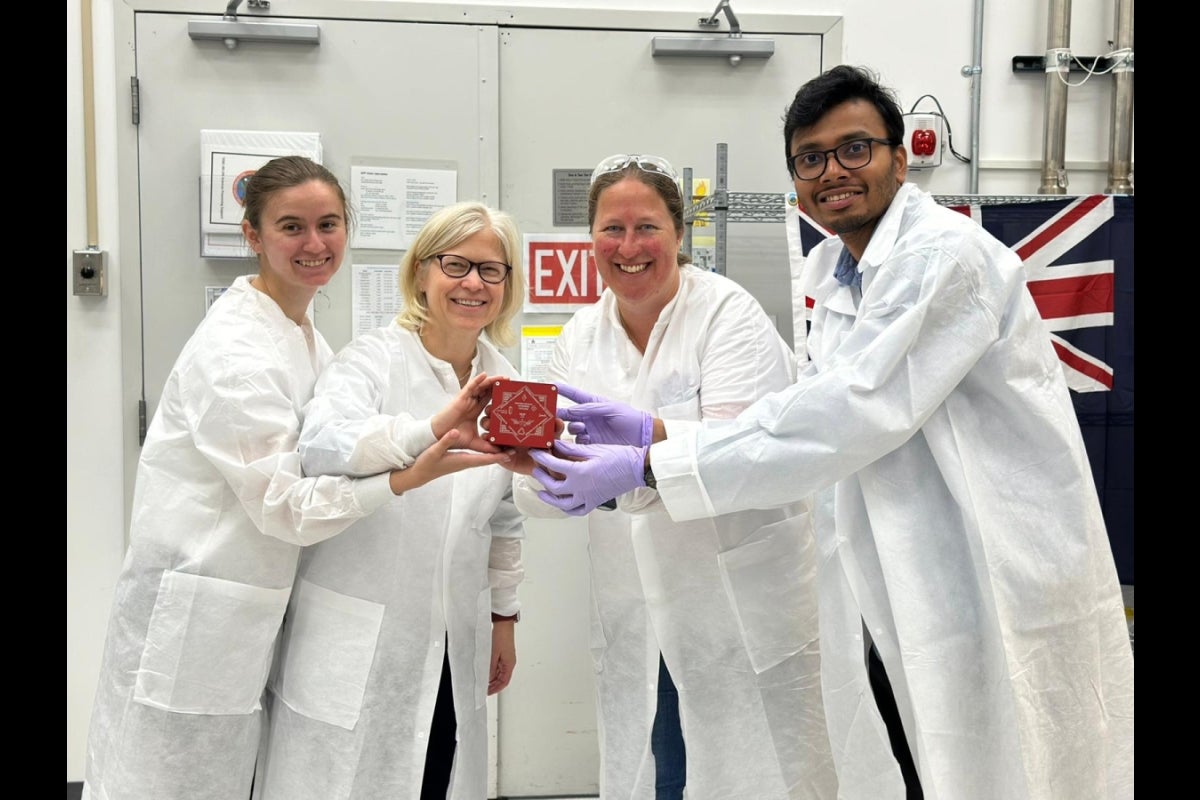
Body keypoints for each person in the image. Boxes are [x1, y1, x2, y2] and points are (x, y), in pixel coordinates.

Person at [527, 66, 1135, 800]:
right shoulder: (838, 276)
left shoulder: (939, 258)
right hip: (898, 570)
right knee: (928, 760)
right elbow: (805, 413)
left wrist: (649, 461)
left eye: (854, 149)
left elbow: (843, 415)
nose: (832, 172)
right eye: (810, 158)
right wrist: (652, 436)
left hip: (991, 563)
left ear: (899, 158)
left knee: (1017, 764)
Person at [81, 158, 508, 800]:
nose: (315, 243)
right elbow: (286, 503)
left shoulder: (304, 337)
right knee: (163, 785)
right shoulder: (237, 354)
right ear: (252, 236)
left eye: (329, 224)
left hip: (261, 612)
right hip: (201, 614)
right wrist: (407, 470)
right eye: (292, 227)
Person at [506, 154, 837, 799]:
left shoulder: (725, 315)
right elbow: (548, 470)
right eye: (612, 229)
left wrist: (642, 453)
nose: (629, 248)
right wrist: (548, 475)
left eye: (647, 227)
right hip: (634, 598)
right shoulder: (580, 335)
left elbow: (745, 453)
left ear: (679, 235)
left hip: (734, 591)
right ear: (591, 238)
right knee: (656, 760)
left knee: (748, 762)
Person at [252, 201, 528, 800]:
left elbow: (503, 515)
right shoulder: (372, 360)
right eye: (456, 265)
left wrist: (504, 618)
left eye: (492, 270)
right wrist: (427, 431)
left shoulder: (507, 380)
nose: (473, 283)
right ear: (422, 274)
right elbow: (323, 445)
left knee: (436, 775)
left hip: (454, 641)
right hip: (359, 636)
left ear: (507, 287)